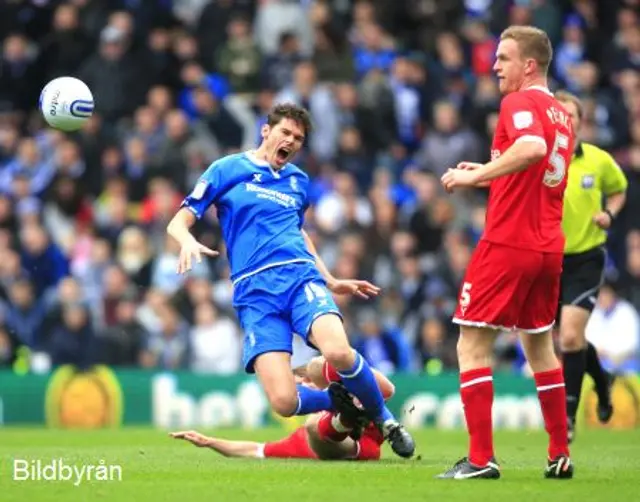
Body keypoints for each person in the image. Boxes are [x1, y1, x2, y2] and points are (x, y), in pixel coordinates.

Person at [166, 103, 414, 458]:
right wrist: (187, 240)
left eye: (298, 138)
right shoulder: (227, 169)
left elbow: (297, 231)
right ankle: (342, 402)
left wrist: (328, 278)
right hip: (254, 293)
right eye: (286, 132)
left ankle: (387, 422)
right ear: (266, 131)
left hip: (299, 278)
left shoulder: (298, 181)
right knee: (284, 401)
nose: (291, 141)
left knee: (339, 350)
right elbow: (178, 221)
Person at [438, 26, 575, 479]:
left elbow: (531, 148)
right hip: (548, 246)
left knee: (471, 346)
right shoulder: (561, 113)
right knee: (540, 347)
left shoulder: (519, 102)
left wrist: (473, 179)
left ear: (528, 65)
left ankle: (480, 460)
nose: (494, 66)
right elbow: (533, 164)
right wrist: (491, 169)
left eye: (503, 58)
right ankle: (559, 454)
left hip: (508, 242)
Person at [552, 90, 628, 443]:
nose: (566, 121)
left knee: (569, 336)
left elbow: (619, 189)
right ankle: (602, 379)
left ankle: (567, 417)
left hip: (585, 257)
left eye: (572, 115)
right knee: (568, 338)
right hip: (548, 259)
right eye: (560, 115)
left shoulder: (598, 160)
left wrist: (609, 213)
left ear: (581, 122)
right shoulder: (539, 159)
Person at [170, 356, 392, 461]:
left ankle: (349, 415)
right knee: (313, 425)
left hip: (365, 436)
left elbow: (386, 388)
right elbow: (255, 450)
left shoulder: (346, 388)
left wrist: (336, 361)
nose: (300, 392)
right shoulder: (297, 440)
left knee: (338, 373)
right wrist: (209, 442)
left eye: (301, 385)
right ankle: (347, 419)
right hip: (356, 448)